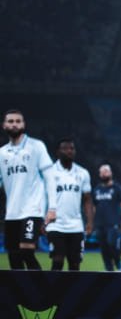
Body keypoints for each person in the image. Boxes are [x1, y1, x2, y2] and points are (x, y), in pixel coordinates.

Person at [0, 110, 53, 270]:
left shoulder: (36, 146)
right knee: (14, 257)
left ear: (23, 125)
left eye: (18, 121)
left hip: (32, 210)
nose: (14, 124)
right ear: (4, 125)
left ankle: (42, 291)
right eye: (10, 121)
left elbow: (49, 177)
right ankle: (21, 294)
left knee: (26, 251)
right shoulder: (1, 153)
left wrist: (52, 208)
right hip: (11, 213)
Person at [45, 138, 92, 271]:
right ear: (58, 152)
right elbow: (42, 197)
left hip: (76, 225)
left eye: (72, 148)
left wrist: (89, 222)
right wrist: (42, 220)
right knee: (57, 261)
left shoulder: (83, 173)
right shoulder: (49, 172)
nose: (69, 151)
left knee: (75, 264)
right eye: (65, 148)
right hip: (55, 224)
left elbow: (88, 199)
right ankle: (53, 291)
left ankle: (73, 292)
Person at [92, 163, 121, 271]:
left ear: (111, 173)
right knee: (104, 249)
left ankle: (119, 265)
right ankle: (108, 269)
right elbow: (93, 207)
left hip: (113, 224)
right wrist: (91, 222)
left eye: (106, 171)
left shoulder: (117, 188)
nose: (104, 173)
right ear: (99, 174)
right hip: (99, 224)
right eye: (102, 171)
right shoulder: (96, 190)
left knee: (112, 244)